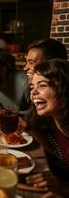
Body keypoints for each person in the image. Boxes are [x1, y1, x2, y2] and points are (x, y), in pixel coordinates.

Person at [28, 59, 69, 197]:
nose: (33, 92)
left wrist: (63, 189)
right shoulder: (50, 121)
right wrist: (29, 129)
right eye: (31, 87)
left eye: (42, 85)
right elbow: (57, 152)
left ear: (64, 88)